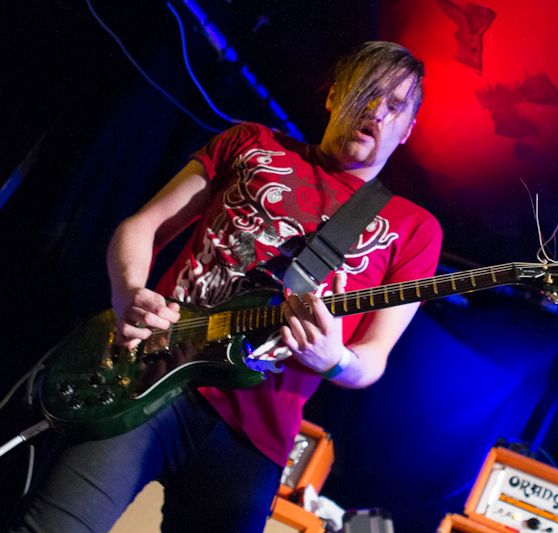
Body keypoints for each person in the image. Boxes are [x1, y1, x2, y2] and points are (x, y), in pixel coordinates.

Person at [12, 41, 442, 532]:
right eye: (364, 91)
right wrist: (129, 293)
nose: (374, 110)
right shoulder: (250, 143)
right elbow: (141, 227)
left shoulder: (414, 228)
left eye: (393, 105)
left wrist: (334, 359)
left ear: (407, 129)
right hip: (147, 376)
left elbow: (372, 359)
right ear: (333, 95)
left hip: (254, 434)